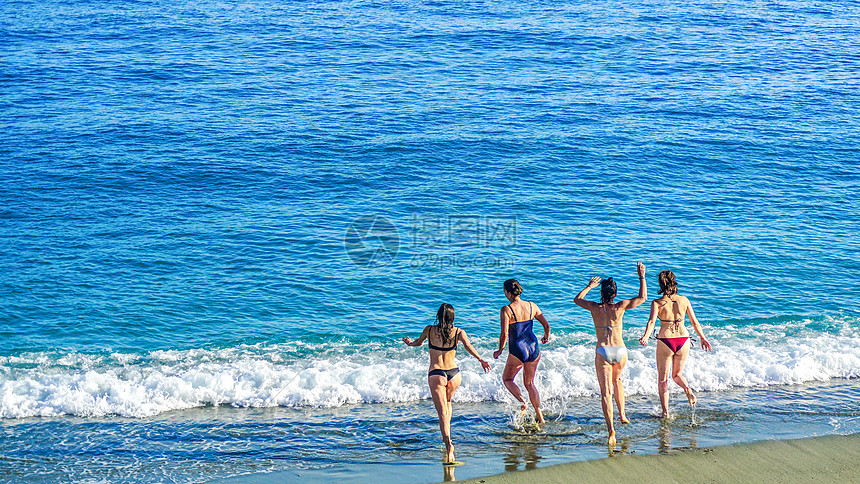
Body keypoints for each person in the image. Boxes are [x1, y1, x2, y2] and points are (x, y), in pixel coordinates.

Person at [403, 303, 491, 464]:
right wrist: (481, 360)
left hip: (436, 374)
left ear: (439, 315)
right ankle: (448, 434)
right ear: (452, 317)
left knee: (442, 412)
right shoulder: (458, 332)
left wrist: (409, 343)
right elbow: (469, 346)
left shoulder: (429, 330)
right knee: (448, 405)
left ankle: (448, 444)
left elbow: (418, 343)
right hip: (454, 374)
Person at [574, 262, 647, 446]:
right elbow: (643, 297)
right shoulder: (620, 307)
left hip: (603, 350)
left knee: (606, 392)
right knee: (618, 381)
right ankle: (622, 414)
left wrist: (589, 286)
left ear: (601, 293)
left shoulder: (594, 307)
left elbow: (577, 299)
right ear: (615, 294)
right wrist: (641, 275)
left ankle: (611, 431)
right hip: (621, 351)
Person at [638, 269, 712, 418]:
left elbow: (652, 322)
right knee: (677, 375)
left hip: (666, 340)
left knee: (663, 379)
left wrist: (646, 336)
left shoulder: (657, 303)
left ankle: (665, 413)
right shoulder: (684, 300)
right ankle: (688, 389)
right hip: (684, 339)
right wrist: (703, 337)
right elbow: (694, 321)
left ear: (660, 284)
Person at [492, 279, 551, 424]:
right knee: (529, 383)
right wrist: (546, 337)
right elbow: (546, 325)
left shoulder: (507, 309)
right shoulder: (532, 305)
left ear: (509, 293)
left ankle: (523, 402)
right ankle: (540, 416)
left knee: (507, 379)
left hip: (518, 349)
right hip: (533, 346)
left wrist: (499, 350)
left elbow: (504, 334)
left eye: (505, 291)